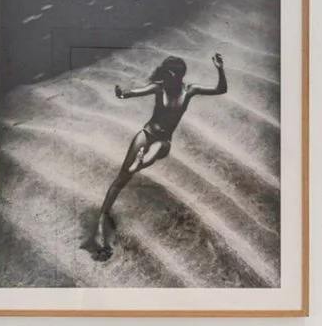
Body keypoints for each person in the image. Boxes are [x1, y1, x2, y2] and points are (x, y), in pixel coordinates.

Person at [83, 52, 226, 261]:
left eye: (169, 75)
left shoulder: (190, 90)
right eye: (164, 74)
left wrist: (219, 68)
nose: (165, 78)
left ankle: (139, 164)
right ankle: (102, 217)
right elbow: (134, 92)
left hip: (163, 142)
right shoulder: (159, 87)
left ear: (179, 76)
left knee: (157, 149)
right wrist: (122, 94)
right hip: (146, 134)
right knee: (121, 179)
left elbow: (221, 89)